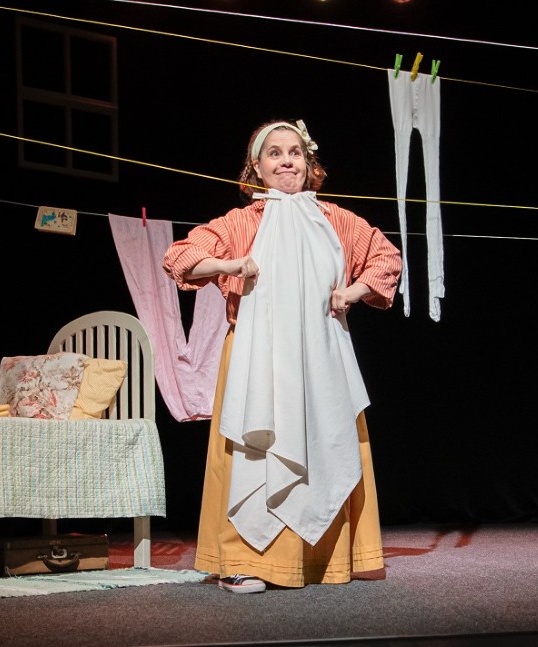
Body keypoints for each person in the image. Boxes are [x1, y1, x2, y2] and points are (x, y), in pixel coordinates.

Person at [163, 118, 402, 593]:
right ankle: (244, 561)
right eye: (274, 153)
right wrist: (230, 264)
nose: (287, 161)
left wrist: (351, 292)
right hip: (257, 358)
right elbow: (181, 258)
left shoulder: (336, 219)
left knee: (327, 446)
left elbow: (386, 259)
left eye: (295, 152)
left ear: (308, 162)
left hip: (320, 360)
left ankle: (325, 558)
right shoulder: (240, 222)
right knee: (255, 454)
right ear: (256, 166)